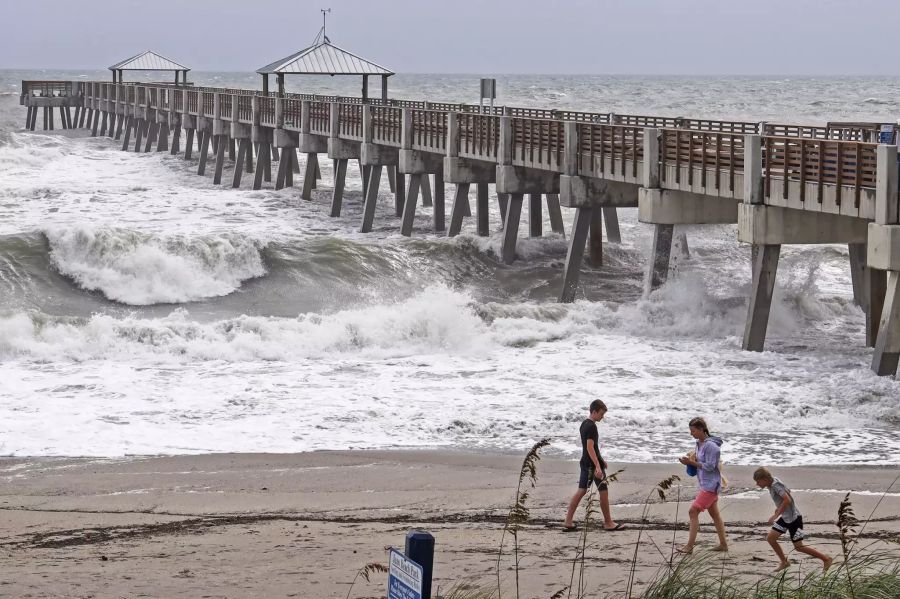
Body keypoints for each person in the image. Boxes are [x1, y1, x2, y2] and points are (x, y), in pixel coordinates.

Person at [753, 467, 833, 573]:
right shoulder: (773, 481)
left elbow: (787, 499)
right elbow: (788, 492)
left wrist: (776, 514)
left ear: (765, 479)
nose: (757, 484)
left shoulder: (775, 485)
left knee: (799, 547)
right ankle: (784, 562)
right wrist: (780, 507)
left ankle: (826, 559)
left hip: (795, 520)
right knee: (771, 538)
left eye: (758, 481)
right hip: (786, 519)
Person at [563, 399, 622, 532]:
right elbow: (590, 448)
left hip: (584, 462)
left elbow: (591, 447)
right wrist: (598, 466)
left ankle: (568, 521)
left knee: (581, 491)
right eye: (601, 413)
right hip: (591, 465)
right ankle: (608, 522)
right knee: (604, 492)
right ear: (594, 411)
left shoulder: (584, 424)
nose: (603, 416)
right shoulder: (592, 427)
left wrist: (601, 459)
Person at [677, 417, 727, 553]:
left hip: (711, 486)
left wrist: (691, 463)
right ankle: (723, 545)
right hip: (705, 484)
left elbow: (710, 467)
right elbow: (700, 462)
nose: (691, 433)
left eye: (693, 431)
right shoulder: (699, 443)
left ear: (701, 429)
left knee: (692, 512)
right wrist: (689, 461)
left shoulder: (712, 446)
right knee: (715, 516)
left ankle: (689, 546)